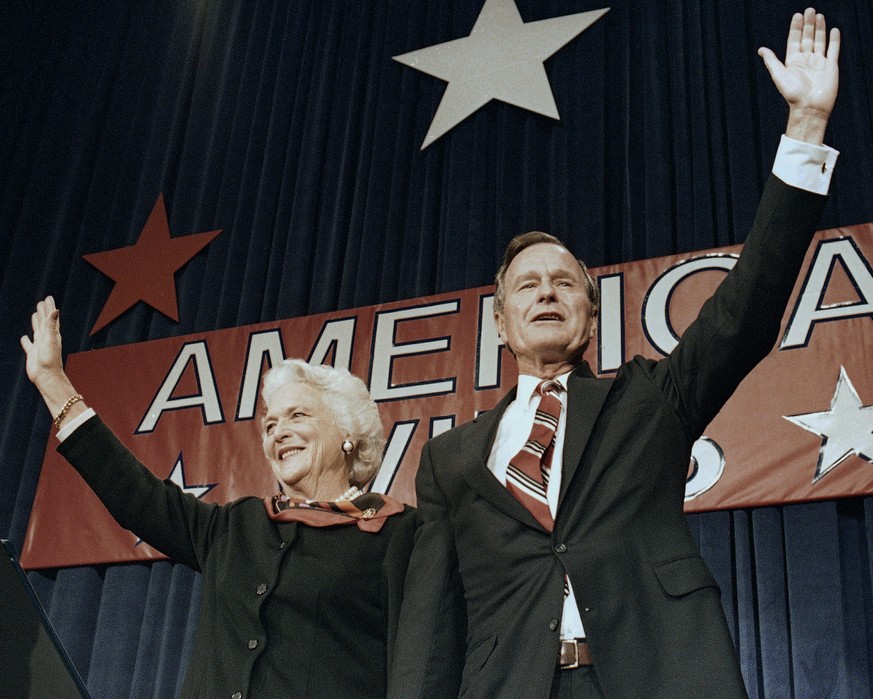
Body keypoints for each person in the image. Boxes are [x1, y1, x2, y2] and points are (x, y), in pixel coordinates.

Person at [390, 8, 841, 699]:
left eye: (563, 282)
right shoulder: (449, 460)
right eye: (527, 286)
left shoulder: (648, 400)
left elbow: (744, 309)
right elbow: (428, 623)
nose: (546, 293)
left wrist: (804, 128)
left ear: (590, 315)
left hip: (656, 676)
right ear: (501, 325)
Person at [20, 297, 416, 699]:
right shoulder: (234, 528)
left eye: (298, 416)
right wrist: (54, 382)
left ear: (348, 432)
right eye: (270, 425)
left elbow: (420, 662)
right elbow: (132, 493)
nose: (278, 432)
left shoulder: (396, 533)